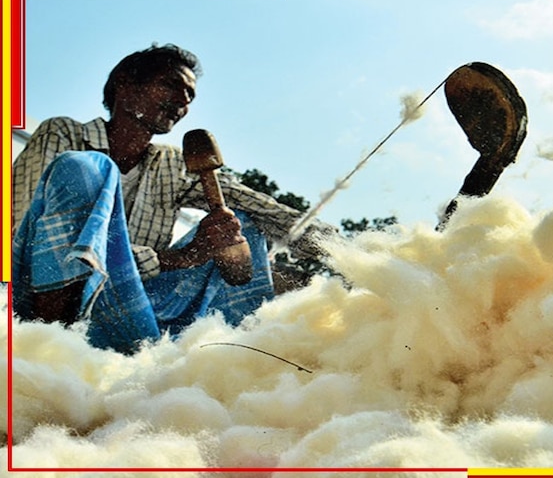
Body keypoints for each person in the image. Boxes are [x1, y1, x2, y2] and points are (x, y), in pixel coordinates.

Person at [12, 43, 328, 354]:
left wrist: (334, 249)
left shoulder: (171, 164)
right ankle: (48, 351)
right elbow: (28, 237)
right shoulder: (64, 134)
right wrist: (180, 258)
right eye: (170, 85)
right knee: (85, 168)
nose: (182, 101)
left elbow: (257, 204)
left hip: (127, 315)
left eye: (189, 96)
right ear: (125, 84)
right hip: (37, 306)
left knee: (241, 221)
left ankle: (239, 357)